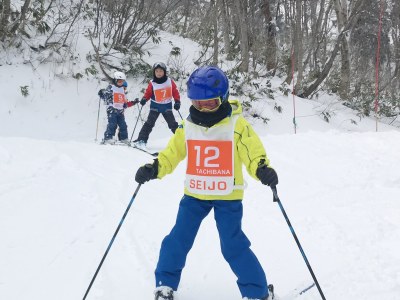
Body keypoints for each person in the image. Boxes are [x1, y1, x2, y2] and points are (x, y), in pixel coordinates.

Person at [135, 66, 279, 300]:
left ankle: (258, 293)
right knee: (177, 240)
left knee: (233, 246)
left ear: (222, 98)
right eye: (197, 103)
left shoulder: (236, 125)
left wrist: (262, 169)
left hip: (227, 197)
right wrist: (155, 168)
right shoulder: (187, 126)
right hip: (195, 195)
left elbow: (253, 152)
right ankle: (165, 285)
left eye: (209, 103)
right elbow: (172, 153)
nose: (202, 108)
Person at [133, 62, 181, 150]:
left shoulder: (169, 82)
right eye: (157, 71)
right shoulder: (152, 83)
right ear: (154, 72)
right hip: (155, 106)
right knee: (149, 124)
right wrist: (144, 99)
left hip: (167, 107)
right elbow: (148, 93)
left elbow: (175, 92)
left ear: (164, 72)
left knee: (172, 124)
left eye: (161, 71)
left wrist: (177, 102)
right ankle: (141, 140)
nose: (159, 73)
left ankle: (182, 141)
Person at [98, 71, 139, 144]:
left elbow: (124, 101)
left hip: (120, 111)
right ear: (115, 80)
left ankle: (124, 138)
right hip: (112, 110)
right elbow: (106, 97)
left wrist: (129, 103)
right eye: (119, 81)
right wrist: (102, 94)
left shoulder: (122, 90)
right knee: (112, 124)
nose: (121, 83)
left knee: (123, 125)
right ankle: (108, 138)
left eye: (122, 81)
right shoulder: (111, 87)